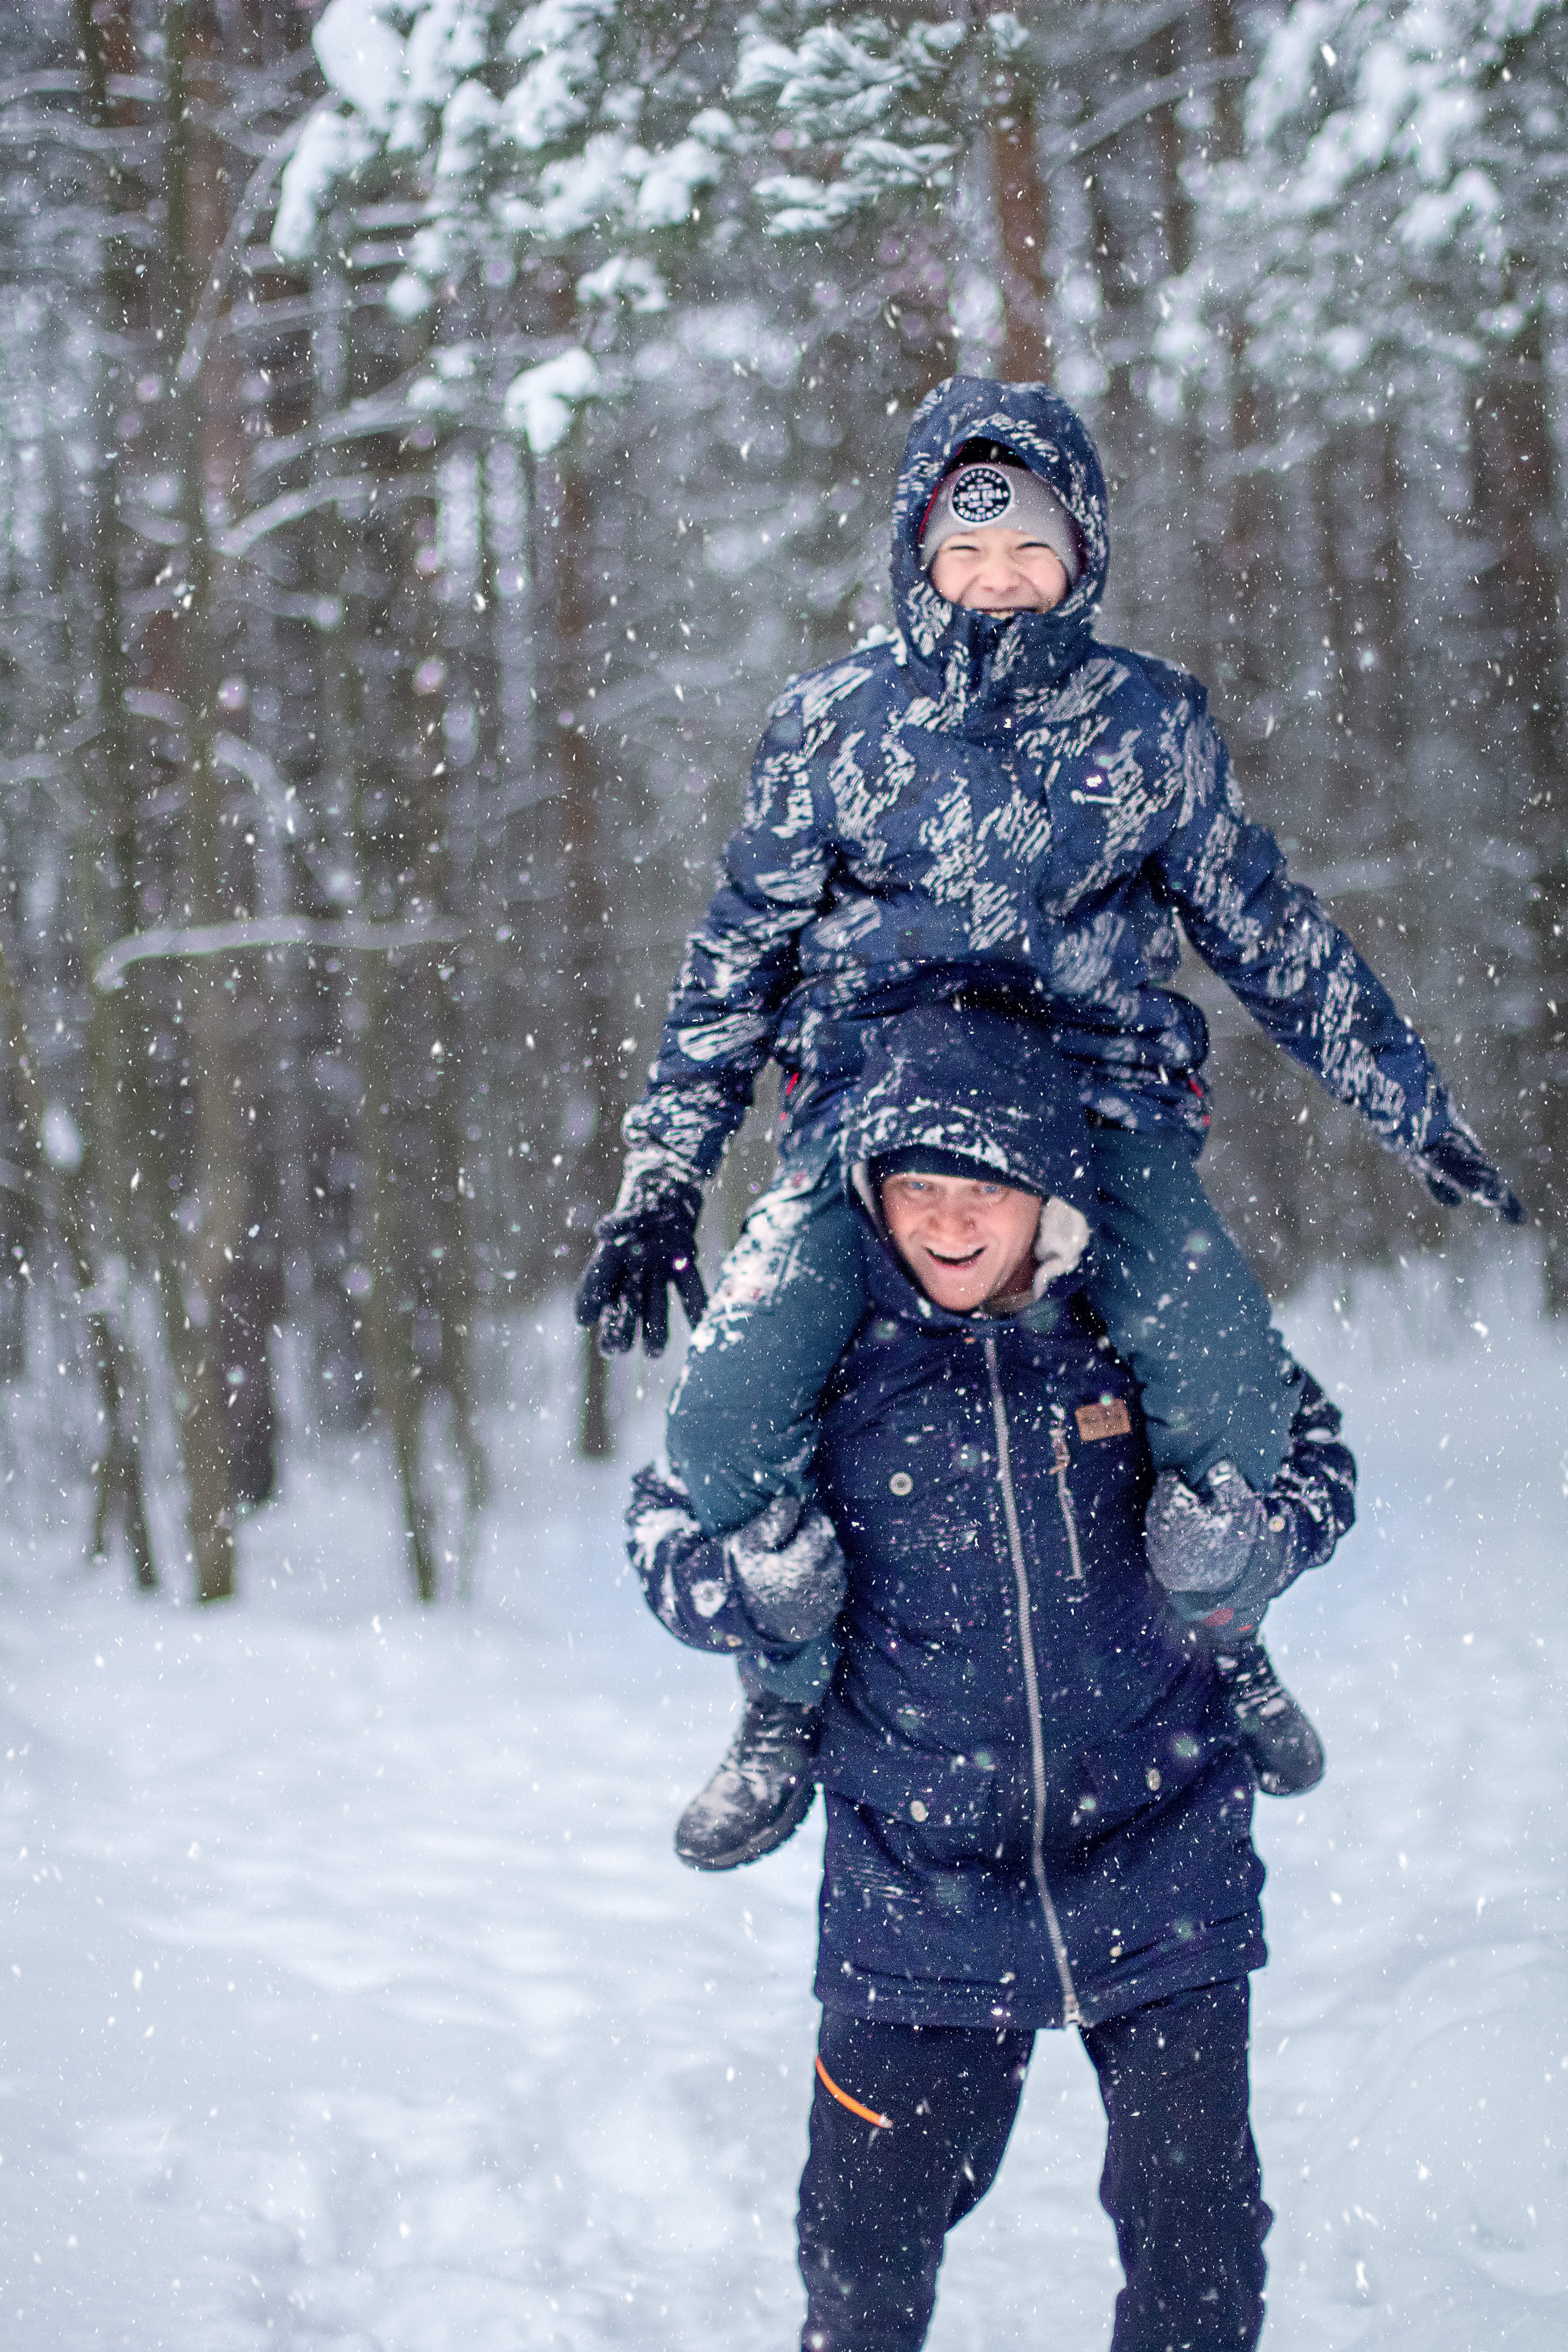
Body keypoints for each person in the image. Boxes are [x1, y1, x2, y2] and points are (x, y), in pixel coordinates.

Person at [579, 375, 1518, 1867]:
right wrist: (658, 1183)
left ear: (1081, 556)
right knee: (736, 1386)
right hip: (872, 1116)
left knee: (1212, 1352)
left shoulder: (1147, 724)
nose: (999, 586)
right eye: (967, 555)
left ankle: (1226, 1635)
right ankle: (780, 1700)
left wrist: (1407, 1104)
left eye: (1030, 555)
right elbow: (732, 965)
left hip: (1095, 1099)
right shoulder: (831, 727)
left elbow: (1262, 933)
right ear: (916, 557)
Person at [627, 1008, 1357, 2352]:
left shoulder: (1133, 1336)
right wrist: (741, 1590)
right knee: (857, 2255)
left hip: (1161, 1841)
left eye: (983, 1190)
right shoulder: (831, 1353)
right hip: (917, 1881)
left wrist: (1256, 1539)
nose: (949, 1224)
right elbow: (663, 1519)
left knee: (1195, 2249)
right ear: (870, 1192)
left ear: (1049, 1193)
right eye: (916, 1189)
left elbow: (1310, 1451)